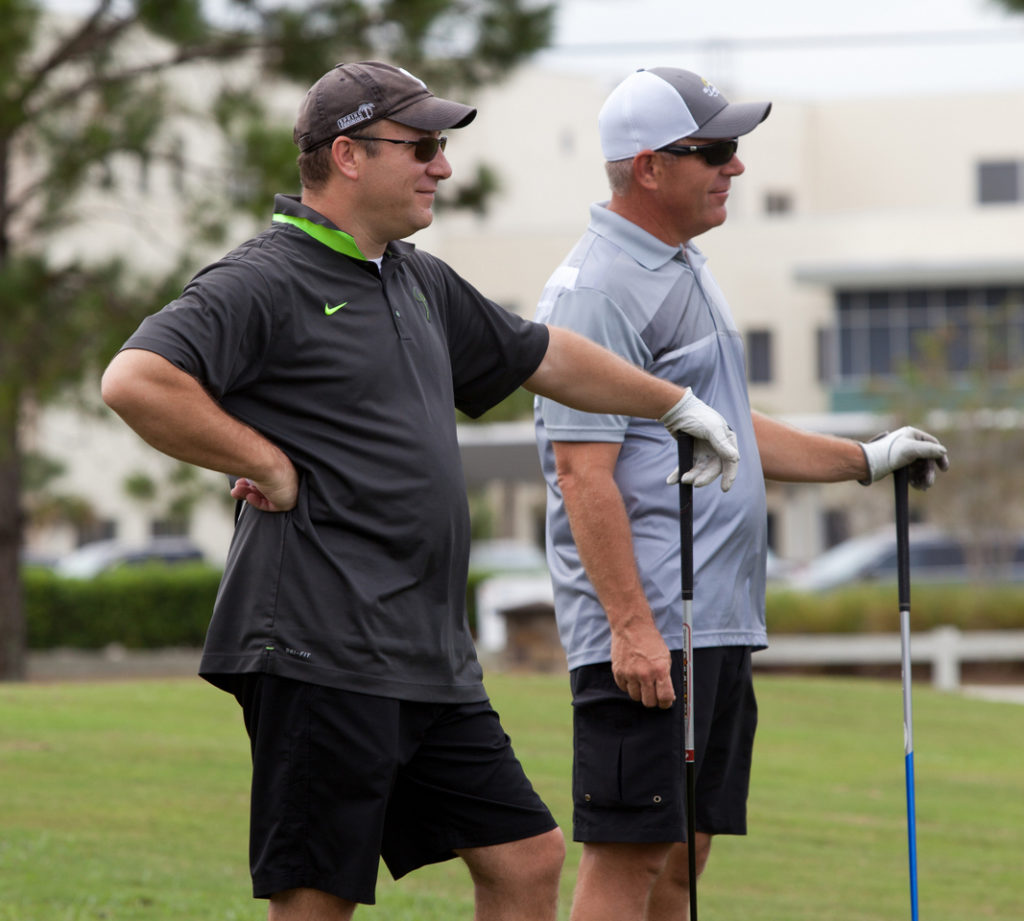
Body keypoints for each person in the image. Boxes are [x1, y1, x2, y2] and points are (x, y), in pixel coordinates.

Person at [100, 61, 743, 921]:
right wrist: (267, 459)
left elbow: (543, 354)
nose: (442, 166)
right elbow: (137, 379)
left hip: (427, 652)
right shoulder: (265, 276)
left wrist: (674, 403)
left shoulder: (413, 278)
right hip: (318, 644)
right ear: (348, 155)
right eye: (423, 146)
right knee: (318, 895)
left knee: (526, 857)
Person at [533, 66, 950, 921]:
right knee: (631, 854)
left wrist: (864, 460)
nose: (737, 167)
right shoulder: (597, 288)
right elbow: (582, 470)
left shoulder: (683, 264)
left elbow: (726, 422)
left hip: (713, 620)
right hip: (651, 626)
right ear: (648, 167)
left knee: (685, 858)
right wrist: (631, 628)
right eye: (715, 150)